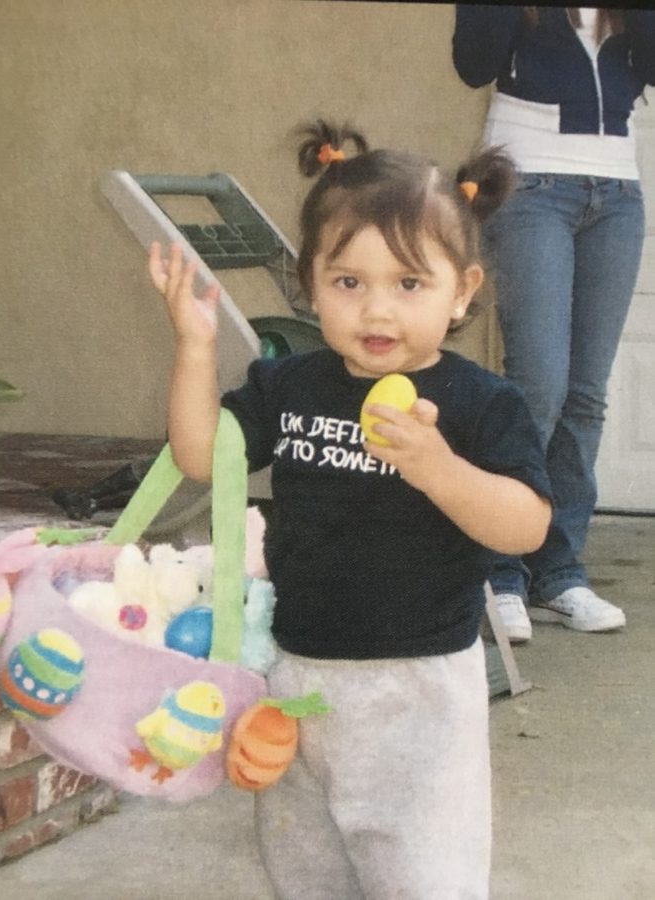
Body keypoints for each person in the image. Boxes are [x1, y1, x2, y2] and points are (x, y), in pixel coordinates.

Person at [148, 120, 553, 900]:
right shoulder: (289, 386)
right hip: (296, 678)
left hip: (420, 692)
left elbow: (524, 526)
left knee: (422, 873)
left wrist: (438, 470)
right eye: (348, 282)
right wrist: (195, 349)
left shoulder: (479, 404)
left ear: (461, 290)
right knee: (305, 870)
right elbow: (205, 459)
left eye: (408, 285)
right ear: (309, 281)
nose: (377, 311)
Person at [453, 6, 655, 642]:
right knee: (537, 387)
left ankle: (560, 570)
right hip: (528, 182)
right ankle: (500, 570)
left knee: (586, 395)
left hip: (618, 190)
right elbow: (472, 64)